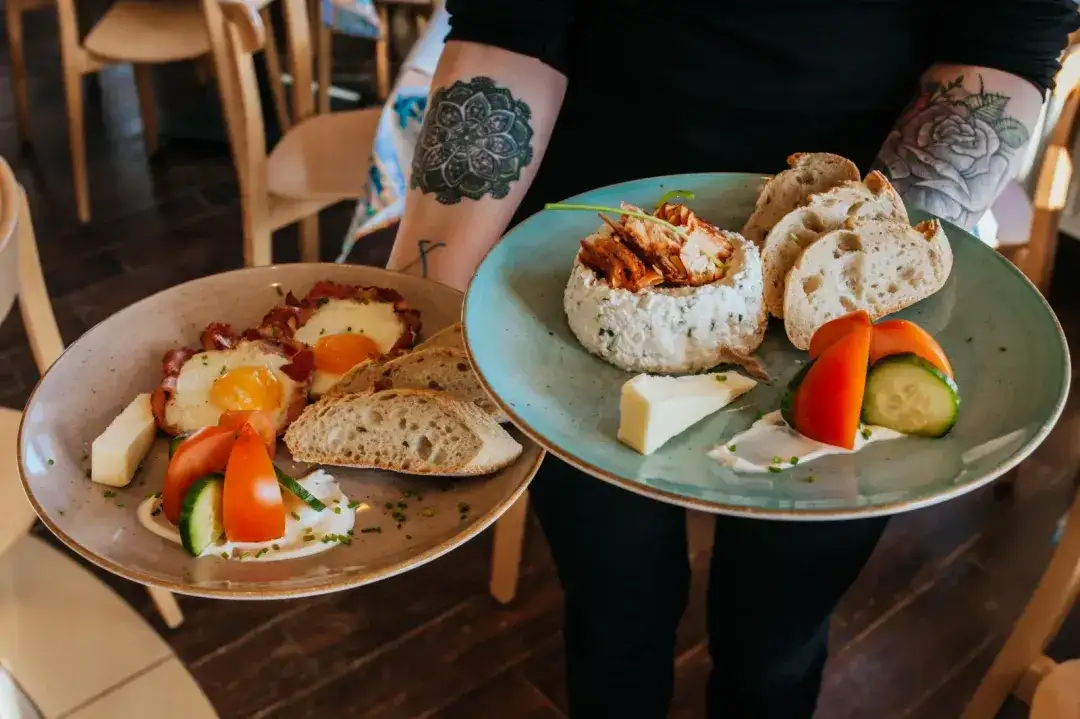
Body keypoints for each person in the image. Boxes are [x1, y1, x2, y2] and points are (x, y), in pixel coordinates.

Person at [383, 2, 1079, 716]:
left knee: (776, 637)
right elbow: (509, 26)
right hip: (585, 278)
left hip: (847, 283)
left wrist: (864, 252)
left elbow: (1004, 38)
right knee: (612, 609)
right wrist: (421, 301)